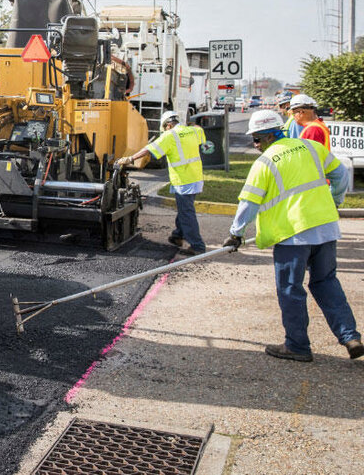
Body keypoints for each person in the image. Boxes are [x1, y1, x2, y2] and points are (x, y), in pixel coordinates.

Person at [226, 109, 361, 362]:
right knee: (326, 282)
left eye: (256, 139)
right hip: (325, 228)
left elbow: (248, 203)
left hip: (293, 236)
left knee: (290, 289)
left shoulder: (264, 163)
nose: (255, 145)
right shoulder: (311, 148)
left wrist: (236, 234)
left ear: (266, 137)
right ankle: (350, 336)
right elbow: (341, 175)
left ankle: (297, 346)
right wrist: (334, 201)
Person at [117, 111, 206, 256]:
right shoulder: (194, 131)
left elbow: (149, 149)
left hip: (183, 180)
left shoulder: (169, 135)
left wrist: (130, 158)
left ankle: (197, 246)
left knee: (187, 213)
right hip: (195, 178)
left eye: (164, 129)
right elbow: (199, 130)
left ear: (168, 125)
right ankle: (178, 236)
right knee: (185, 209)